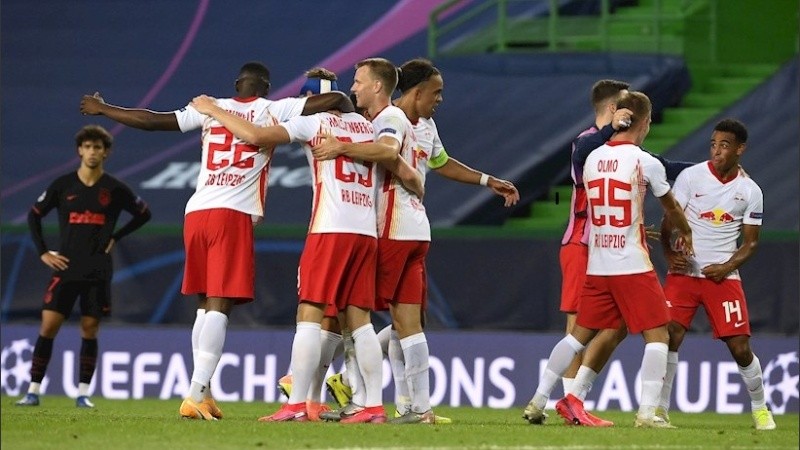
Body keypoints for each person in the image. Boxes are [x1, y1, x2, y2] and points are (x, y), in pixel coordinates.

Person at [79, 61, 352, 420]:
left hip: (196, 213)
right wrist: (332, 100)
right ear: (267, 88)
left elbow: (150, 120)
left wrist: (103, 109)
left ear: (237, 84)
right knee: (220, 306)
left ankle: (203, 392)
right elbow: (334, 101)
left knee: (204, 306)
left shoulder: (209, 107)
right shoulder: (274, 108)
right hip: (231, 215)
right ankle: (195, 395)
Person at [190, 68, 422, 423]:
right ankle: (373, 406)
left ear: (312, 100)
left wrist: (214, 110)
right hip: (365, 234)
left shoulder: (314, 123)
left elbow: (254, 135)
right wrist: (417, 185)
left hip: (329, 229)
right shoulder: (368, 127)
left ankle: (297, 402)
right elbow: (403, 169)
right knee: (359, 322)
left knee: (309, 315)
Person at [525, 80, 693, 426]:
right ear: (644, 122)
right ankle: (647, 413)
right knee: (658, 335)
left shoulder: (591, 158)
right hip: (629, 261)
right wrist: (686, 231)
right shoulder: (639, 159)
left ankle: (543, 400)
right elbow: (671, 206)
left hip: (599, 261)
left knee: (580, 335)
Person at [16, 125, 151, 408]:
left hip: (97, 270)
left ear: (106, 152)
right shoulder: (63, 185)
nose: (92, 152)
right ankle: (33, 391)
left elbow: (144, 213)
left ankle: (82, 393)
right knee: (48, 325)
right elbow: (34, 215)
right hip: (66, 267)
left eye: (97, 147)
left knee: (89, 329)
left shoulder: (114, 188)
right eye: (87, 147)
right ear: (79, 150)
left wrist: (116, 236)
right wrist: (43, 252)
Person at [658, 119, 776, 431]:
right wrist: (669, 253)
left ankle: (761, 409)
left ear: (740, 149)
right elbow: (669, 220)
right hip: (685, 274)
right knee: (669, 336)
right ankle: (660, 409)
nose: (716, 151)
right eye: (713, 144)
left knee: (740, 348)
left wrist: (726, 267)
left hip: (722, 277)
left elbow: (750, 243)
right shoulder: (691, 177)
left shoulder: (750, 191)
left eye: (724, 145)